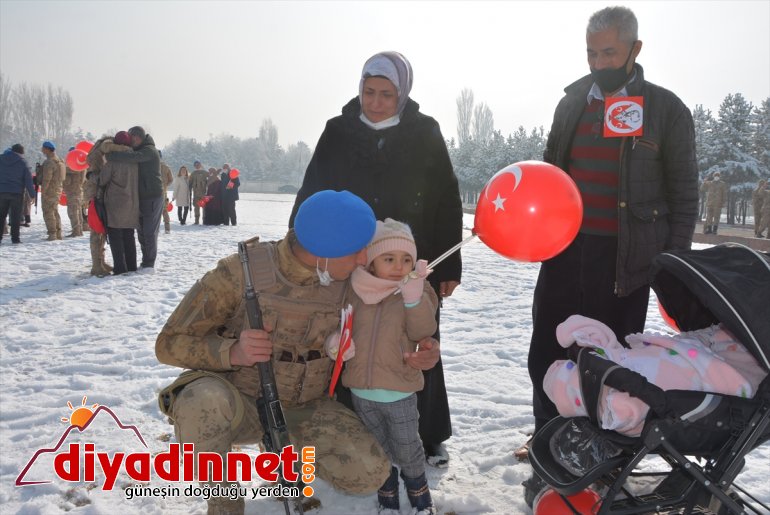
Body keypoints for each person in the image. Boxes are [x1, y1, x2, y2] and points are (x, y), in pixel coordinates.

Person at [155, 190, 441, 514]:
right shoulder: (240, 273)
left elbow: (398, 305)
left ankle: (284, 458)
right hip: (241, 403)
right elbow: (169, 342)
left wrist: (424, 348)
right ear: (324, 251)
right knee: (199, 401)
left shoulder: (348, 279)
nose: (365, 260)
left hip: (305, 407)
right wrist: (232, 352)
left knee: (369, 473)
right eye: (357, 251)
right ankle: (225, 504)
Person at [522, 6, 698, 495]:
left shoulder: (665, 110)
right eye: (592, 52)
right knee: (549, 349)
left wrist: (674, 263)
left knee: (610, 360)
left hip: (627, 260)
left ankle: (601, 456)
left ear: (634, 50)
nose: (599, 62)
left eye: (609, 52)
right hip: (564, 251)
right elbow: (553, 172)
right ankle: (547, 441)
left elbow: (684, 194)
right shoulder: (571, 102)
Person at [289, 51, 463, 467]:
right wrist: (299, 243)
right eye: (369, 92)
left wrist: (447, 267)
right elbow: (312, 192)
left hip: (407, 262)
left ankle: (425, 430)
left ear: (402, 93)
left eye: (387, 94)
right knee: (356, 336)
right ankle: (354, 425)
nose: (376, 101)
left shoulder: (425, 132)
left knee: (415, 335)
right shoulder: (338, 131)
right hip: (355, 258)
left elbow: (446, 200)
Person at [334, 218, 439, 515]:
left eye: (406, 259)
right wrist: (336, 343)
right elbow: (341, 324)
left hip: (399, 389)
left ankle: (419, 493)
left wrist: (413, 299)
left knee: (407, 448)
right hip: (361, 390)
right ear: (371, 261)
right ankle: (387, 494)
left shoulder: (418, 289)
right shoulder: (355, 288)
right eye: (389, 258)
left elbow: (423, 330)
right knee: (377, 449)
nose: (398, 266)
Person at [105, 126, 163, 269]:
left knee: (149, 233)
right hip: (141, 198)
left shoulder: (149, 151)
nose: (130, 143)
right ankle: (146, 261)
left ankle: (149, 263)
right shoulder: (140, 149)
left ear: (137, 137)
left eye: (131, 139)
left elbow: (133, 157)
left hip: (152, 197)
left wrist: (111, 156)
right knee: (142, 232)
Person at [98, 132, 140, 275]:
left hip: (115, 203)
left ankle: (120, 268)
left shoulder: (113, 161)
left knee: (115, 237)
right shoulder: (135, 160)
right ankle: (132, 266)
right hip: (132, 202)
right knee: (129, 235)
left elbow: (102, 180)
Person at [83, 137, 113, 277]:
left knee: (100, 231)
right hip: (96, 196)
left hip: (96, 195)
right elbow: (97, 177)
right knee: (96, 232)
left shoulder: (96, 154)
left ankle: (101, 261)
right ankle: (96, 265)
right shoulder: (99, 157)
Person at [0, 144, 35, 245]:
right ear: (21, 152)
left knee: (1, 216)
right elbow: (28, 180)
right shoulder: (22, 162)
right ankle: (15, 239)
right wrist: (32, 195)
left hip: (2, 192)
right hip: (17, 193)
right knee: (16, 217)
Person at [40, 140, 66, 241]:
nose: (42, 150)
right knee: (55, 211)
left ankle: (52, 234)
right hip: (58, 189)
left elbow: (47, 178)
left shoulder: (49, 162)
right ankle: (58, 233)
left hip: (50, 191)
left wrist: (43, 191)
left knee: (48, 212)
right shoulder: (60, 161)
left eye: (43, 148)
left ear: (47, 149)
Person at [62, 153, 86, 237]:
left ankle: (76, 231)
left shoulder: (75, 169)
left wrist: (63, 167)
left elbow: (66, 172)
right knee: (77, 212)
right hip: (77, 192)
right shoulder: (81, 167)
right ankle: (78, 230)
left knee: (73, 212)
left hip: (73, 193)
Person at [189, 160, 208, 225]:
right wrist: (189, 190)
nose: (197, 166)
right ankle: (196, 220)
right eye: (196, 165)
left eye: (198, 165)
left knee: (204, 207)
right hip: (196, 194)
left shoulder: (205, 172)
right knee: (196, 207)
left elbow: (210, 180)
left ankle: (204, 220)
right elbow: (190, 183)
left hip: (203, 193)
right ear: (194, 166)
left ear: (200, 165)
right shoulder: (193, 173)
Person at [159, 151, 174, 234]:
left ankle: (155, 229)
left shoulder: (150, 166)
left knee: (154, 211)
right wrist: (165, 185)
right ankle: (167, 229)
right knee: (164, 211)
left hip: (152, 192)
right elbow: (171, 180)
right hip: (163, 192)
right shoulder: (166, 167)